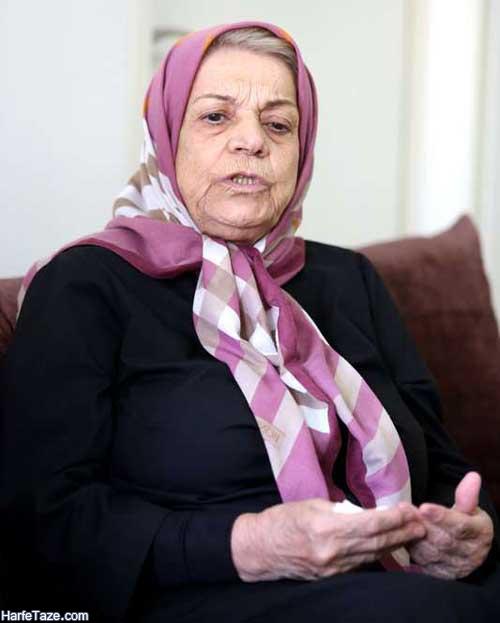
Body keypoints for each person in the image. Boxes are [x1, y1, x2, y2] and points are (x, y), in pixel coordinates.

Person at [1, 19, 499, 623]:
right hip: (196, 592)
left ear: (301, 149)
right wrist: (249, 545)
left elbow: (441, 465)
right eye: (216, 117)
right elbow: (43, 518)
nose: (251, 142)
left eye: (278, 124)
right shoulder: (86, 285)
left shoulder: (348, 280)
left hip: (394, 581)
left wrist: (470, 531)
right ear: (167, 136)